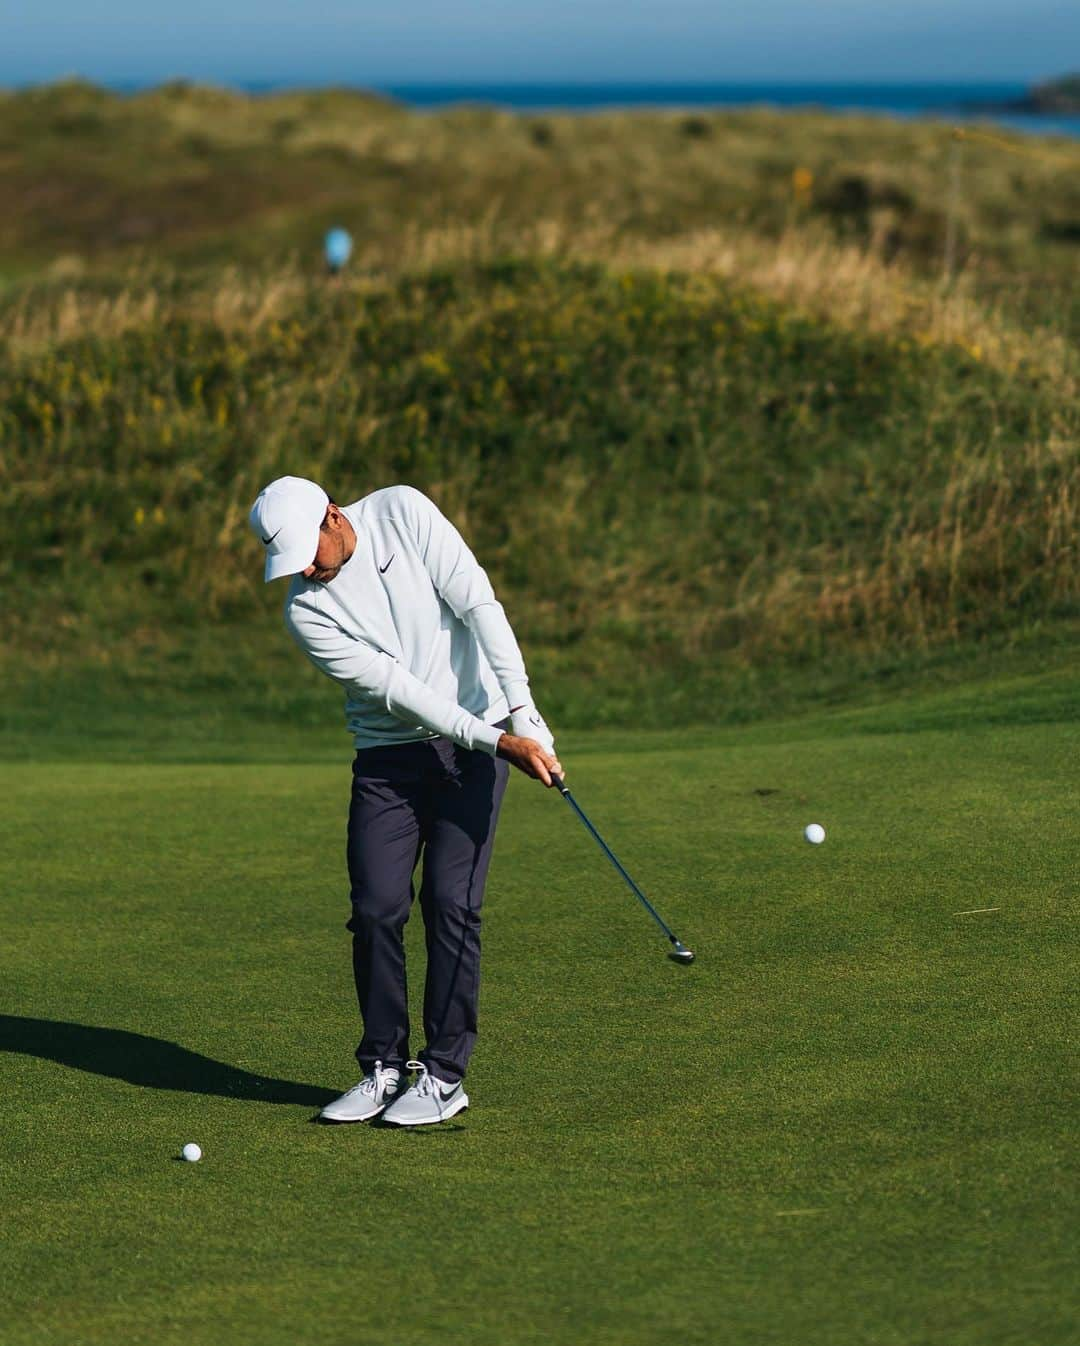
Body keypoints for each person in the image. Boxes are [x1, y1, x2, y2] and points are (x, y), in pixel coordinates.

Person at [248, 476, 562, 1126]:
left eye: (310, 552)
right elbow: (400, 692)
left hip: (480, 736)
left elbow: (478, 604)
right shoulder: (306, 612)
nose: (305, 569)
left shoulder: (402, 512)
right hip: (393, 758)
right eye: (292, 564)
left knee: (450, 902)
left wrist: (523, 714)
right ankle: (383, 1068)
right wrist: (500, 741)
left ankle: (444, 1074)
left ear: (333, 515)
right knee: (375, 908)